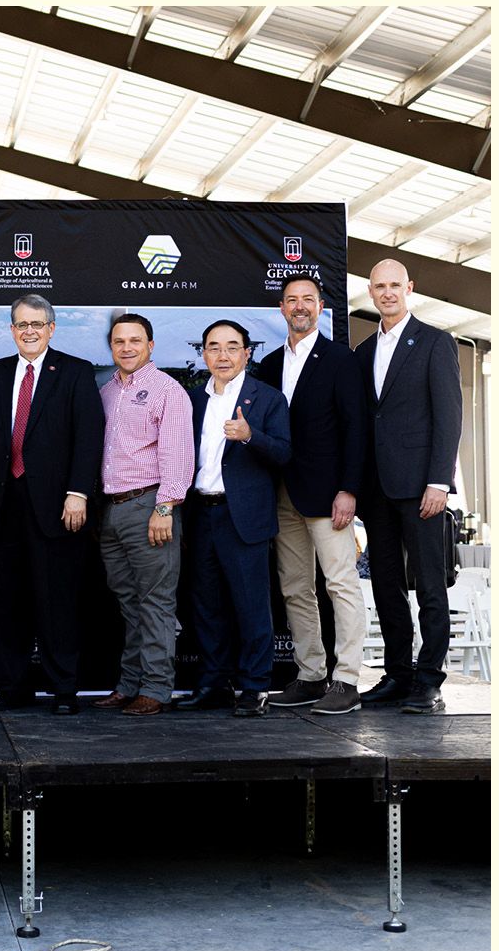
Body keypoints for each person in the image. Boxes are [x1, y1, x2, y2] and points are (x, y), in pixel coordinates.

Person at [0, 294, 104, 715]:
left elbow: (89, 437)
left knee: (57, 600)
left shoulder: (76, 372)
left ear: (51, 329)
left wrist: (78, 492)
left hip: (58, 506)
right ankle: (12, 689)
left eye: (37, 324)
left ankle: (64, 690)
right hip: (1, 505)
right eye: (22, 324)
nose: (29, 331)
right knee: (7, 602)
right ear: (11, 330)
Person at [355, 259, 462, 714]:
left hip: (422, 488)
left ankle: (429, 681)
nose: (387, 293)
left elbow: (449, 417)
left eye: (395, 285)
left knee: (431, 588)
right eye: (380, 286)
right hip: (377, 490)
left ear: (409, 288)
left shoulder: (436, 341)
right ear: (370, 291)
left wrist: (439, 481)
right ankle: (398, 675)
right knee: (386, 586)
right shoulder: (363, 351)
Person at [257, 274, 367, 715]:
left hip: (327, 494)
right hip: (281, 492)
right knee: (295, 587)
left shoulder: (340, 359)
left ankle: (348, 680)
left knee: (340, 584)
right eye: (291, 300)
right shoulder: (268, 364)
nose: (299, 306)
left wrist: (349, 489)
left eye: (308, 299)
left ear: (320, 307)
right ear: (282, 308)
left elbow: (356, 428)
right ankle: (310, 674)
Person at [176, 320, 291, 717]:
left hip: (243, 516)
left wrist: (249, 436)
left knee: (251, 605)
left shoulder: (268, 399)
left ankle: (255, 687)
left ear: (247, 353)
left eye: (231, 347)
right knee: (205, 605)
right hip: (200, 514)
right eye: (214, 347)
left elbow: (284, 453)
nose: (222, 355)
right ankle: (213, 683)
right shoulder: (192, 399)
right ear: (203, 354)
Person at [94, 314, 194, 717]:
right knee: (129, 604)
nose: (127, 348)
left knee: (155, 603)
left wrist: (164, 508)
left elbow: (177, 455)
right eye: (119, 341)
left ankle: (155, 688)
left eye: (135, 340)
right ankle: (129, 684)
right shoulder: (106, 392)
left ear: (150, 345)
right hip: (111, 509)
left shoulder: (168, 390)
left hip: (149, 506)